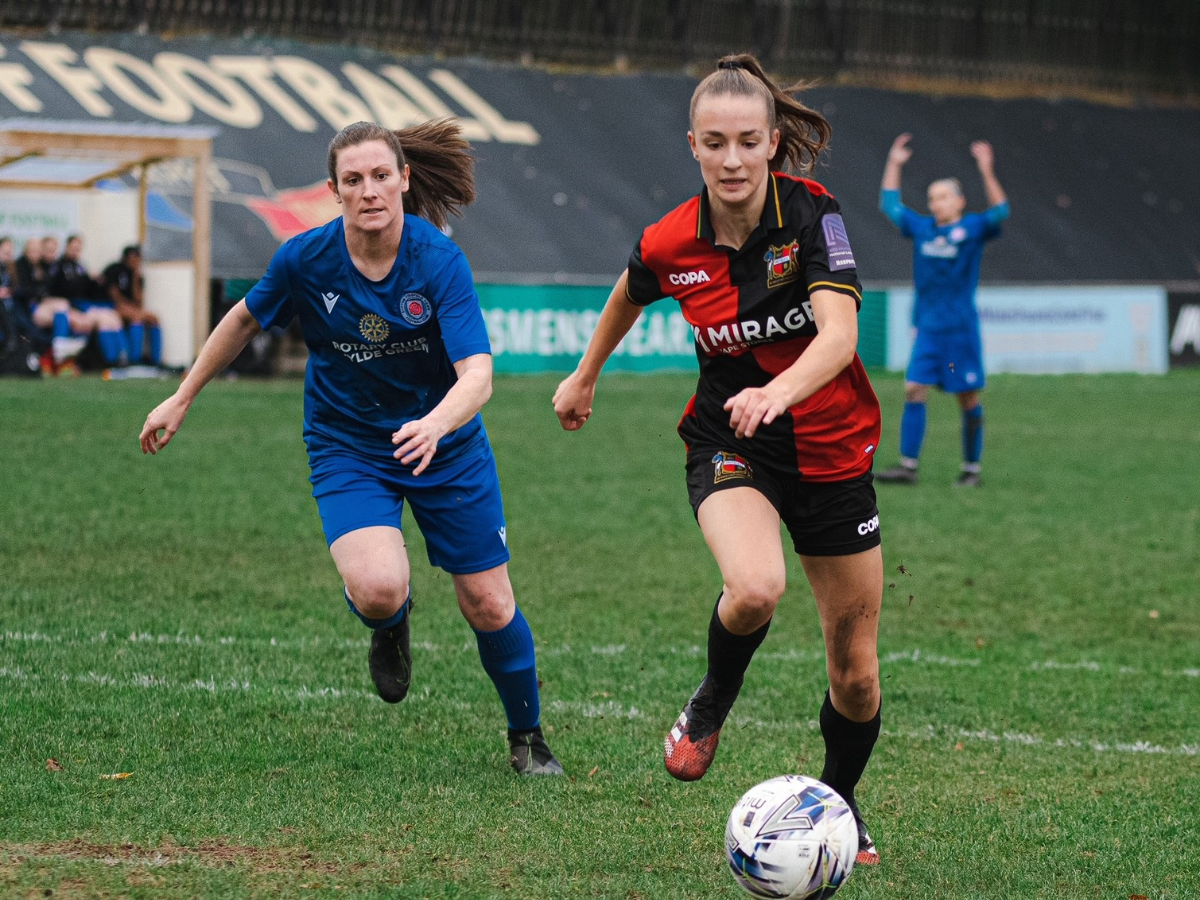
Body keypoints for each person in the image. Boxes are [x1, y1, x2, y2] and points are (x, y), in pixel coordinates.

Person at [140, 119, 563, 777]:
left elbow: (478, 375)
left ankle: (527, 737)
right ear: (334, 191)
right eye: (354, 180)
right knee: (376, 588)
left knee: (487, 602)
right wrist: (183, 394)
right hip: (348, 443)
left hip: (444, 447)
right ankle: (391, 622)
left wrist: (436, 425)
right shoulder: (305, 258)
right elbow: (246, 317)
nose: (370, 191)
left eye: (380, 176)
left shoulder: (439, 262)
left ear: (404, 180)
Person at [553, 54, 884, 865]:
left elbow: (838, 340)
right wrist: (585, 373)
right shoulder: (672, 238)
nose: (731, 159)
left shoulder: (815, 217)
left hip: (834, 452)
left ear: (773, 143)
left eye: (747, 142)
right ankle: (711, 701)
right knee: (755, 586)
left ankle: (838, 809)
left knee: (856, 676)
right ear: (692, 147)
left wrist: (781, 392)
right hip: (730, 442)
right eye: (714, 144)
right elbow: (630, 290)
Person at [873, 133, 1010, 487]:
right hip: (929, 330)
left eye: (943, 197)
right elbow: (890, 206)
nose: (936, 204)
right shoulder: (922, 229)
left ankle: (971, 470)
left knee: (967, 398)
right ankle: (907, 466)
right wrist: (894, 164)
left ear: (960, 201)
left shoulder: (972, 229)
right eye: (933, 198)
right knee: (914, 388)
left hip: (960, 331)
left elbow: (1001, 211)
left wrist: (986, 170)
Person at [43, 234, 127, 370]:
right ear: (67, 247)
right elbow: (57, 290)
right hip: (74, 305)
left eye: (78, 249)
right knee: (105, 319)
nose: (76, 252)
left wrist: (95, 281)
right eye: (73, 248)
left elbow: (88, 288)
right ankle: (112, 359)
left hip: (84, 303)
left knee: (112, 317)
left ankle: (123, 355)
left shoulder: (80, 267)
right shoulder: (59, 266)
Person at [103, 244, 163, 366]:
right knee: (137, 317)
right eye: (132, 258)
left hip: (131, 308)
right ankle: (134, 358)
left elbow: (139, 301)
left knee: (154, 319)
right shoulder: (114, 269)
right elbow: (114, 295)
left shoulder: (137, 276)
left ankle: (156, 360)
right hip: (113, 306)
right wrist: (131, 308)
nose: (135, 261)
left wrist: (136, 277)